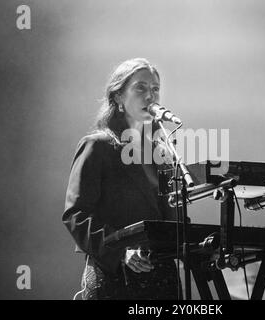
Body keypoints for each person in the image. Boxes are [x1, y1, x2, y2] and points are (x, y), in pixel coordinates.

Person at [62, 58, 181, 300]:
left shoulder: (162, 153)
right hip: (115, 278)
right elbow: (76, 216)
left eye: (155, 89)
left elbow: (171, 220)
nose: (151, 96)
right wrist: (121, 250)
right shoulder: (97, 146)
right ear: (117, 97)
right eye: (141, 87)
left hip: (161, 279)